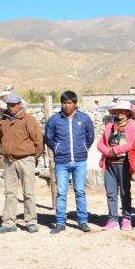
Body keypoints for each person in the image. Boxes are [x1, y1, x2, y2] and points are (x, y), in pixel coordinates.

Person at [0, 92, 43, 235]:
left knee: (28, 192)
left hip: (25, 159)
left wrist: (35, 157)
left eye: (13, 104)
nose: (11, 107)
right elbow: (1, 138)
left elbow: (38, 139)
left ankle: (31, 221)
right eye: (9, 104)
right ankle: (9, 223)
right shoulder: (3, 120)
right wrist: (3, 154)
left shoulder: (28, 119)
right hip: (9, 161)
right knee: (9, 193)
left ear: (20, 104)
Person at [44, 91, 95, 234]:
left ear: (75, 103)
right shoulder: (54, 119)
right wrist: (57, 148)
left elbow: (90, 137)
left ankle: (83, 221)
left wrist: (84, 148)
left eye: (69, 103)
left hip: (79, 161)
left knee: (80, 191)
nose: (66, 106)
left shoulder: (84, 119)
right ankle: (60, 222)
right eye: (64, 103)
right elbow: (48, 137)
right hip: (61, 162)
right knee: (61, 193)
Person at [96, 100, 135, 231]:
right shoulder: (109, 125)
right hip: (109, 163)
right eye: (117, 110)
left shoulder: (132, 126)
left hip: (124, 163)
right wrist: (107, 151)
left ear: (128, 112)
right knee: (111, 193)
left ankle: (126, 219)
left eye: (123, 110)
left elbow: (133, 143)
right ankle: (113, 219)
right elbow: (100, 143)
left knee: (125, 192)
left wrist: (116, 150)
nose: (120, 113)